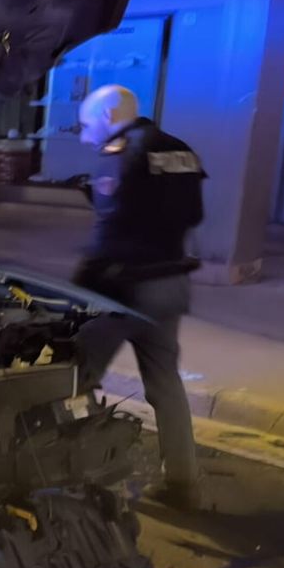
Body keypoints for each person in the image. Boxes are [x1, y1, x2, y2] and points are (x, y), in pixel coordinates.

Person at [71, 84, 205, 511]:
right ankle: (182, 485)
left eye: (86, 124)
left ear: (110, 116)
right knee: (165, 385)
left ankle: (80, 475)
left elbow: (112, 230)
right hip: (171, 286)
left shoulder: (121, 153)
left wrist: (78, 290)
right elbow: (188, 214)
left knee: (74, 380)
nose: (83, 135)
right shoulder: (180, 149)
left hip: (124, 290)